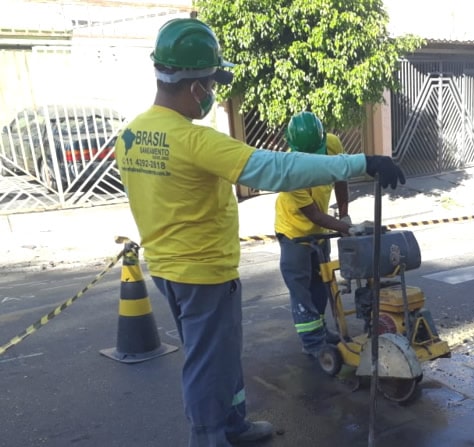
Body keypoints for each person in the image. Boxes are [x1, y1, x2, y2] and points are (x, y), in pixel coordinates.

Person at [114, 18, 405, 447]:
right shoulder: (194, 141)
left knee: (221, 355)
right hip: (202, 272)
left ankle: (233, 424)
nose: (213, 92)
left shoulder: (132, 135)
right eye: (212, 82)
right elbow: (278, 169)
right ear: (195, 85)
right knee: (207, 364)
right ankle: (209, 437)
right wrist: (361, 162)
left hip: (168, 267)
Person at [274, 111, 359, 357]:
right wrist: (346, 228)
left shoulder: (332, 144)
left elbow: (341, 179)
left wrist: (344, 215)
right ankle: (312, 343)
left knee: (322, 283)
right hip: (294, 232)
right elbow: (312, 214)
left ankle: (320, 330)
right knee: (301, 289)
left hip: (321, 231)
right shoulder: (289, 170)